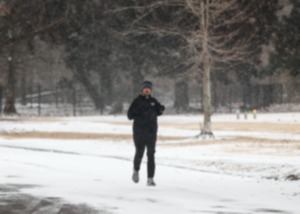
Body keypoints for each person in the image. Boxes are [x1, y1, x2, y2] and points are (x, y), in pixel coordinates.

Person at [127, 80, 165, 186]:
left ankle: (150, 178)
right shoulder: (137, 101)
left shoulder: (153, 101)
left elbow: (158, 111)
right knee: (140, 152)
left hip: (151, 132)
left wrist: (161, 109)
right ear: (142, 90)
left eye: (149, 88)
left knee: (151, 154)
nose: (147, 90)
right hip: (139, 132)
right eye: (145, 88)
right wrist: (138, 113)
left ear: (151, 90)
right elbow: (129, 115)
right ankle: (136, 170)